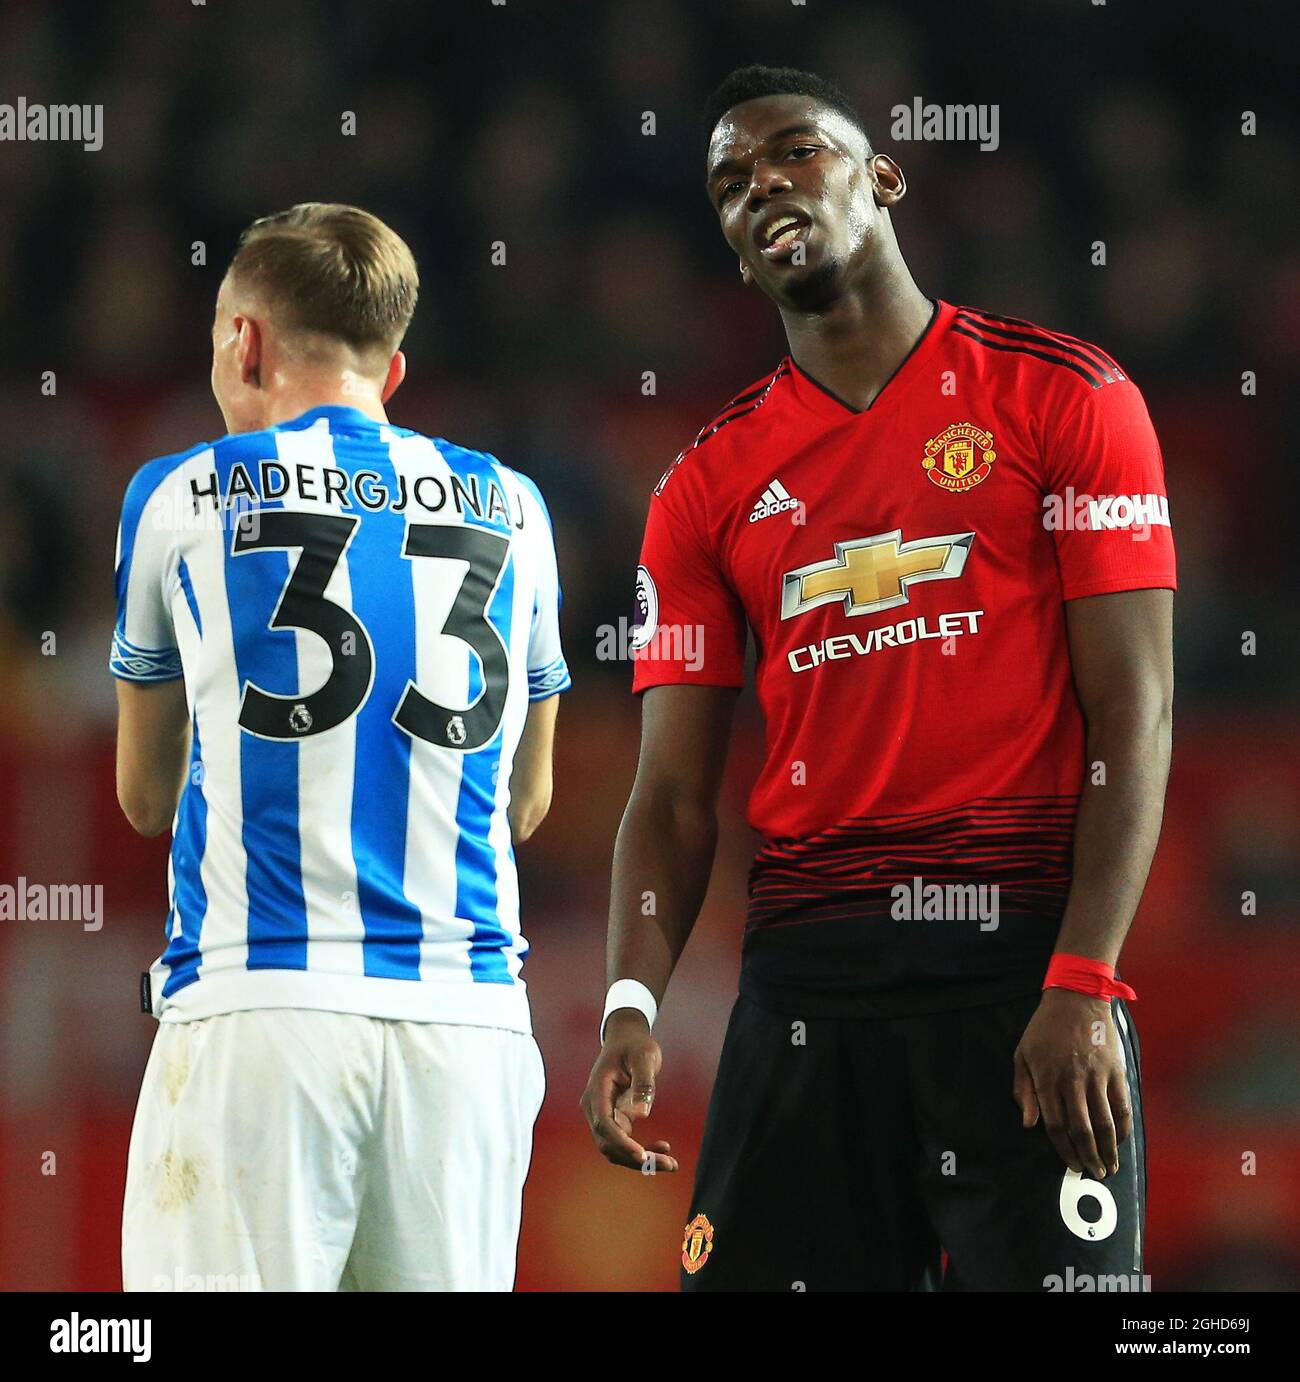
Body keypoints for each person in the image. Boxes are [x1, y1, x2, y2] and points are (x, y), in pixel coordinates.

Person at [581, 66, 1175, 1292]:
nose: (762, 190)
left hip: (1020, 972)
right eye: (730, 184)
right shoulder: (703, 485)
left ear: (884, 178)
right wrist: (630, 999)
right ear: (734, 252)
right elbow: (673, 797)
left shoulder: (1065, 396)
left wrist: (1084, 977)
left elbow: (1137, 710)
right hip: (809, 985)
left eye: (794, 153)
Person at [114, 203, 569, 1291]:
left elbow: (143, 794)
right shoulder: (516, 504)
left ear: (245, 341)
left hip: (258, 1009)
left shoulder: (180, 494)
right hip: (467, 1025)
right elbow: (530, 797)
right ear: (393, 367)